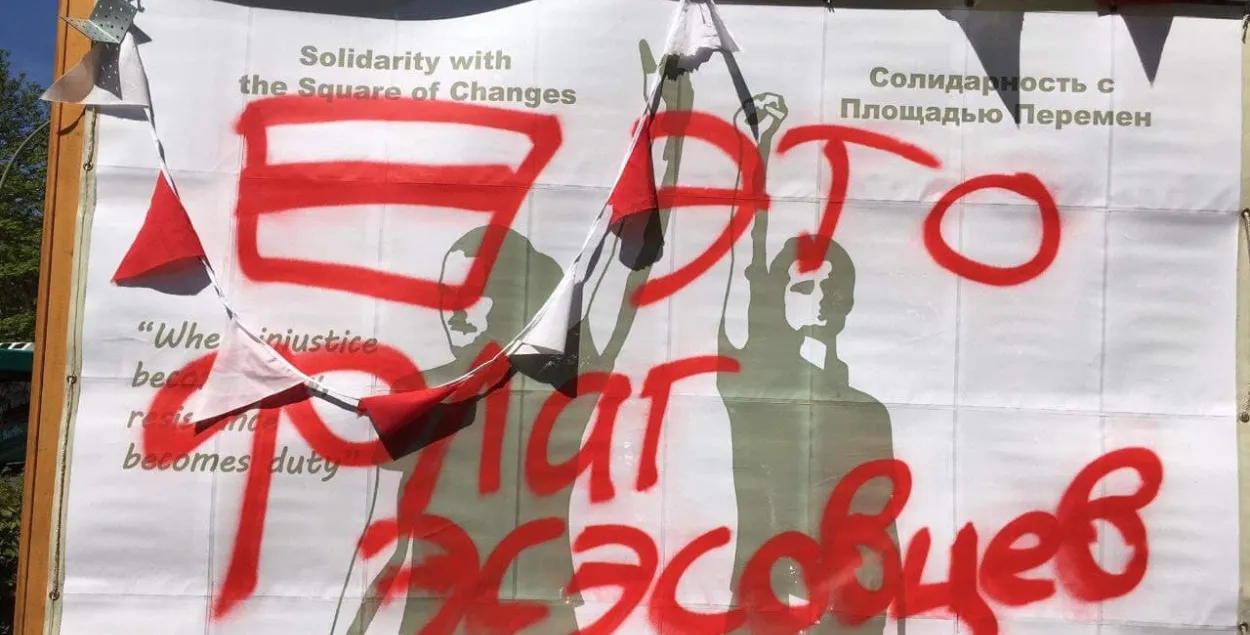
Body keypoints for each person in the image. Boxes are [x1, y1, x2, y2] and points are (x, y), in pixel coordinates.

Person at [336, 39, 691, 633]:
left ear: (507, 300)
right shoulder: (423, 397)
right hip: (434, 615)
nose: (451, 311)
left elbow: (633, 270)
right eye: (445, 295)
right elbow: (394, 540)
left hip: (534, 613)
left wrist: (670, 123)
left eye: (468, 294)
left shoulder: (558, 385)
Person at [718, 97, 900, 634]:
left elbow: (884, 531)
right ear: (777, 298)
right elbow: (742, 262)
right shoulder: (754, 378)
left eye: (830, 286)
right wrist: (756, 154)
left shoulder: (869, 413)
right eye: (802, 287)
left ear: (847, 300)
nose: (819, 299)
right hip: (766, 607)